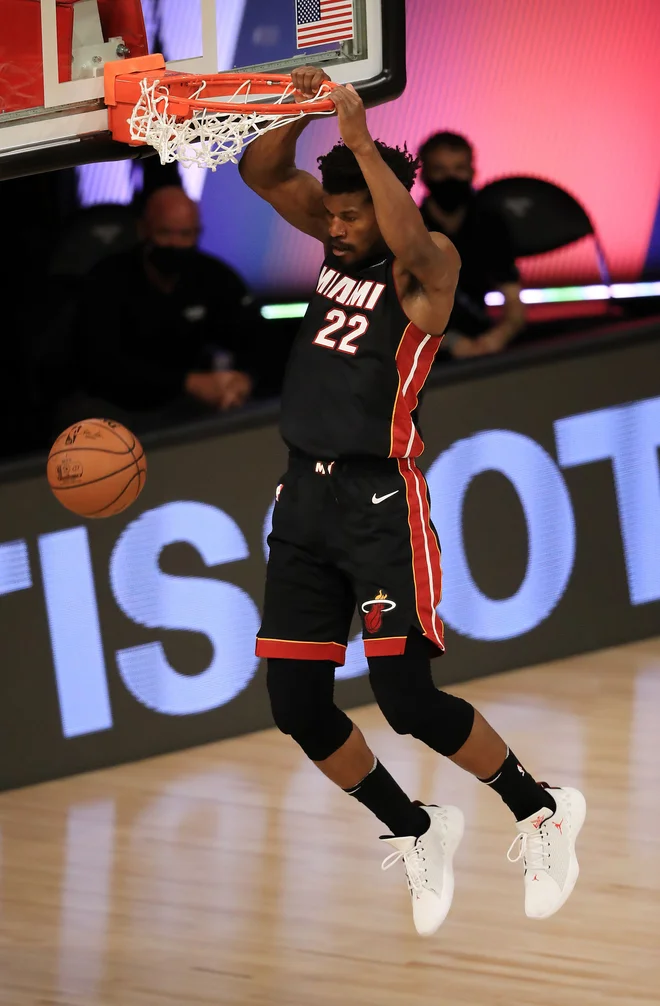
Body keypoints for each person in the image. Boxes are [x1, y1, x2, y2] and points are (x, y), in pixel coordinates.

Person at [240, 66, 585, 937]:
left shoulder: (426, 269)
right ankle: (415, 828)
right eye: (337, 210)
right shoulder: (337, 236)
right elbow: (262, 175)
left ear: (386, 203)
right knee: (297, 708)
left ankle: (541, 809)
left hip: (378, 504)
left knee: (408, 701)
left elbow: (404, 232)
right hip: (304, 504)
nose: (338, 223)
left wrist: (359, 138)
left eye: (354, 211)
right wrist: (302, 109)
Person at [65, 186, 254, 431]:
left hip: (194, 407)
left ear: (198, 234)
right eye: (165, 233)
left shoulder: (216, 277)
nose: (175, 244)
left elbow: (255, 340)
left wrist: (244, 380)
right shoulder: (107, 279)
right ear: (143, 230)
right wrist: (186, 382)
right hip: (119, 406)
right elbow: (99, 365)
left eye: (185, 234)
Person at [418, 131, 526, 360]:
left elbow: (513, 302)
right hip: (423, 352)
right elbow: (396, 313)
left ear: (472, 172)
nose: (451, 178)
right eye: (440, 170)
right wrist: (449, 342)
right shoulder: (407, 229)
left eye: (459, 169)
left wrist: (500, 336)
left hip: (482, 344)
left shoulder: (490, 224)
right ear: (424, 175)